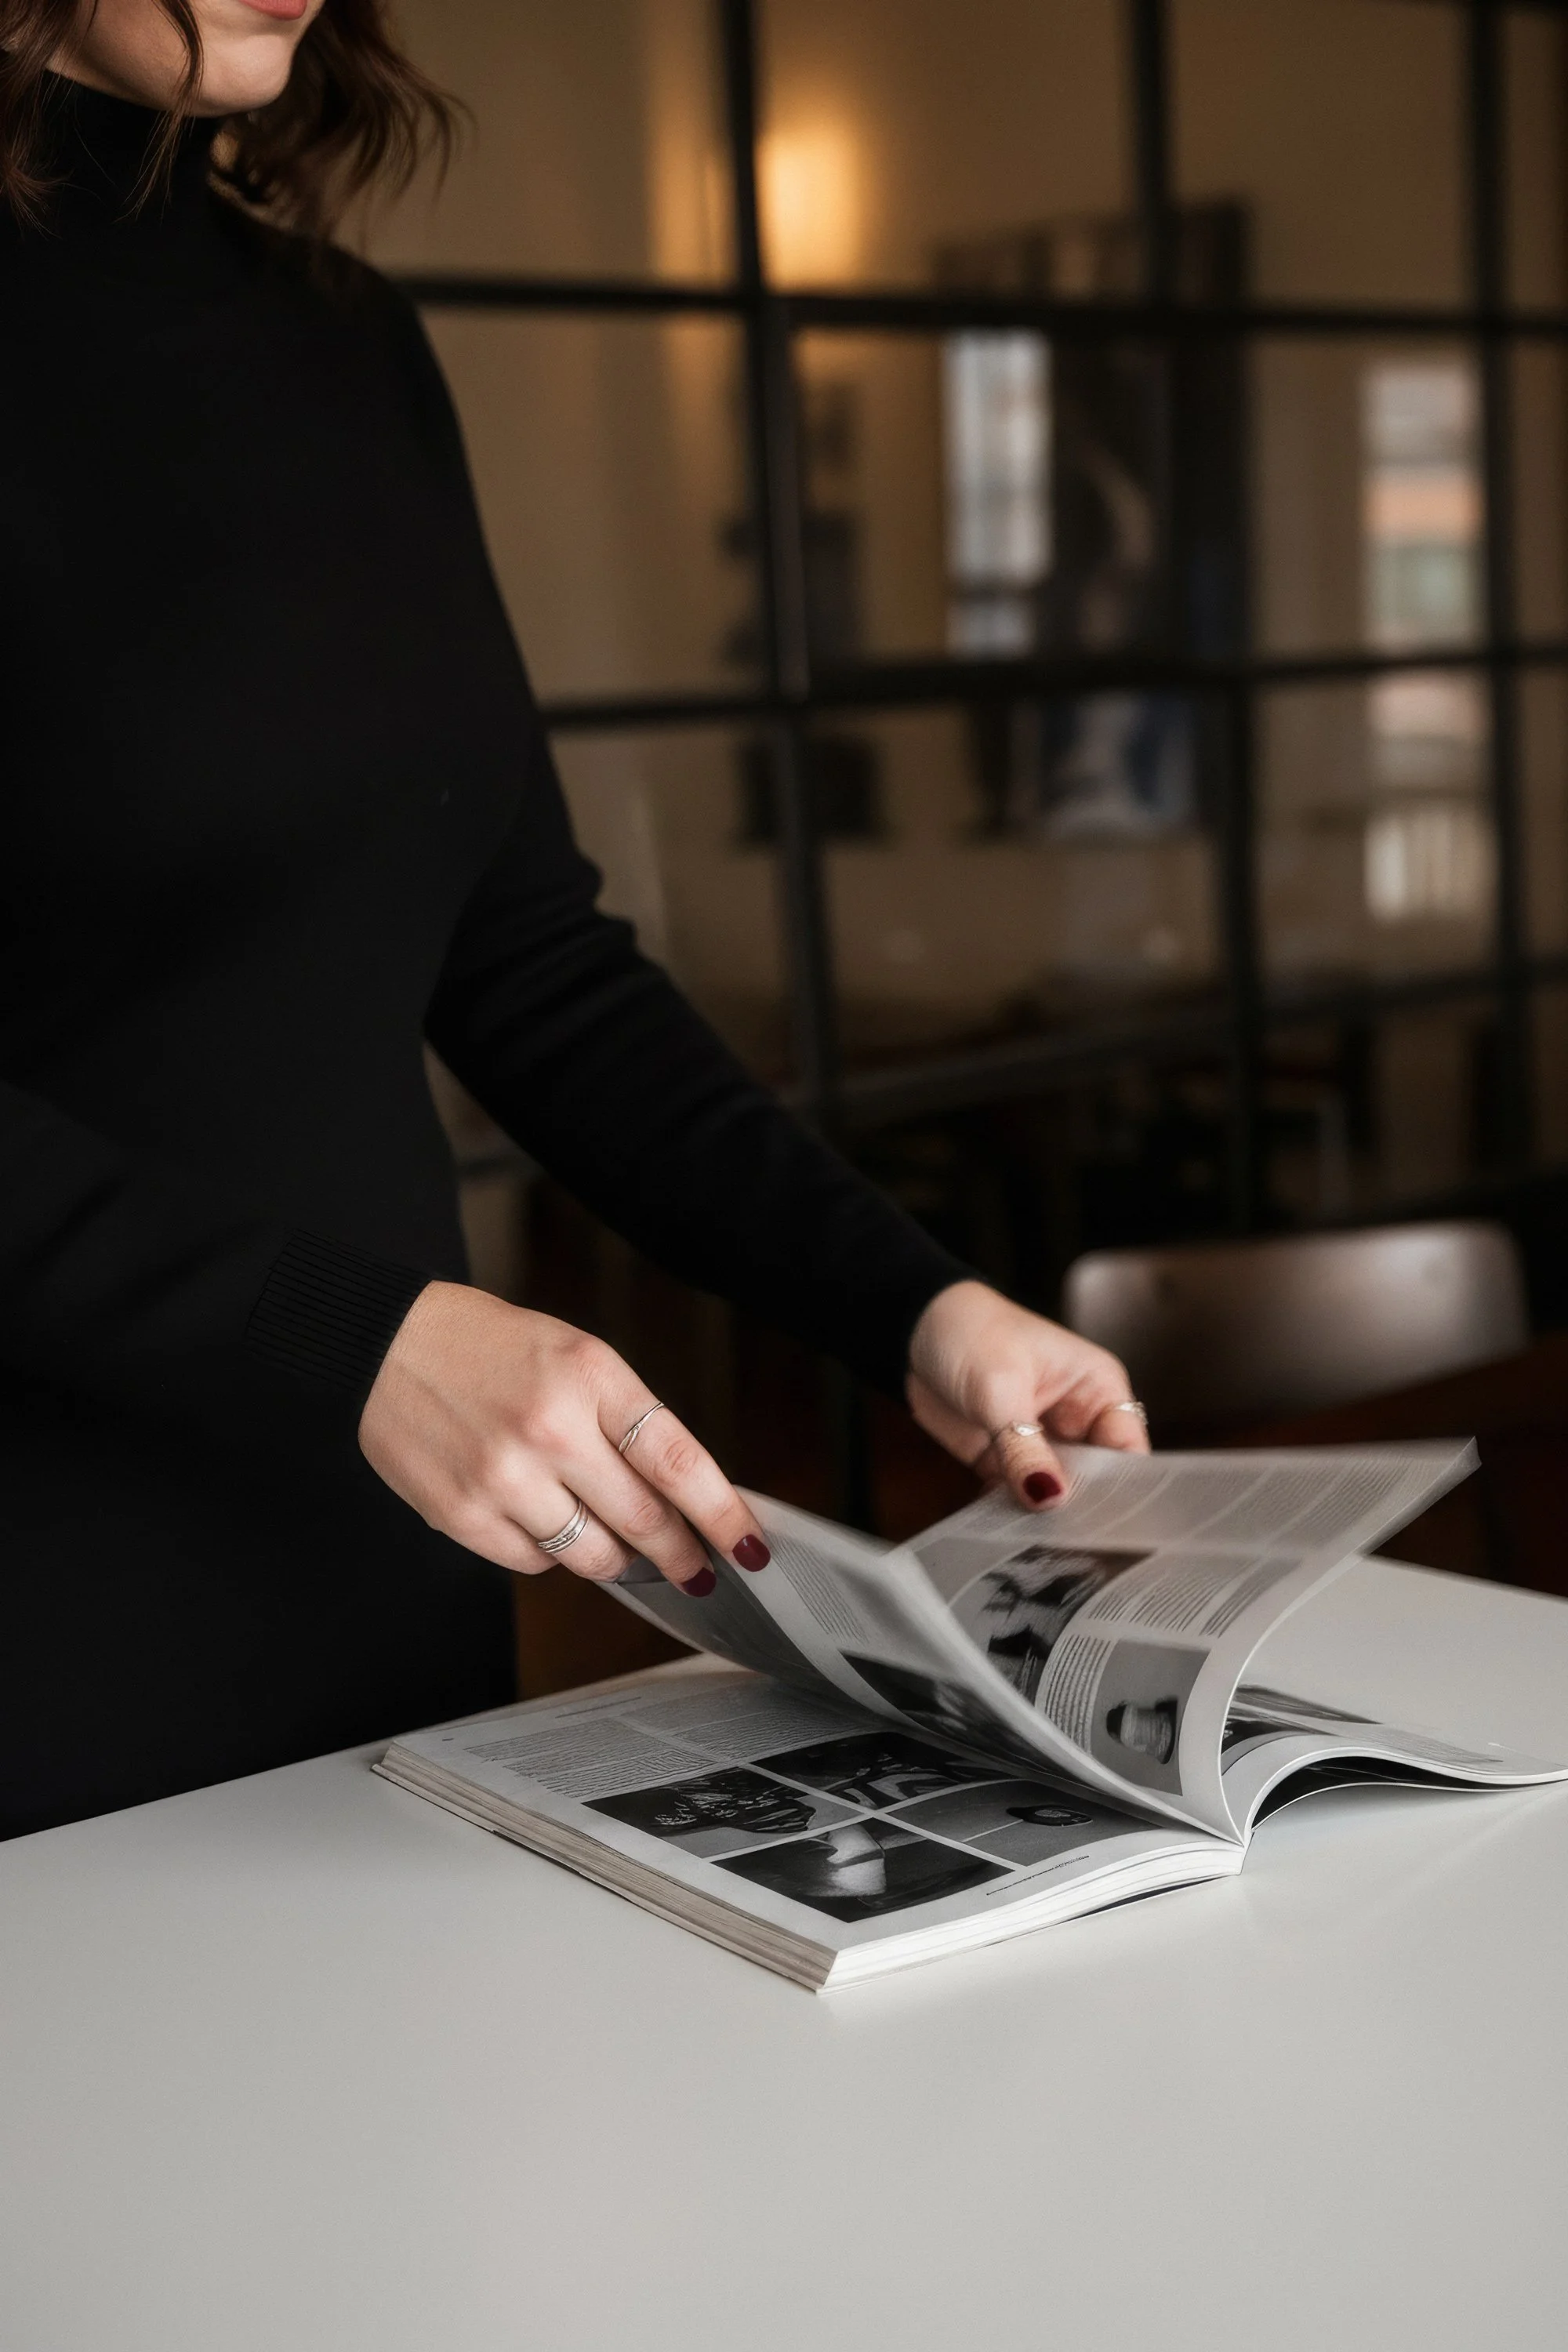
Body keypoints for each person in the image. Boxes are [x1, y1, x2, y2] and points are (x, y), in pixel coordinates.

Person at [0, 0, 1147, 1840]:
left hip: (370, 1557)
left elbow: (524, 955)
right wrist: (351, 1342)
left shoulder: (346, 341)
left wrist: (915, 1302)